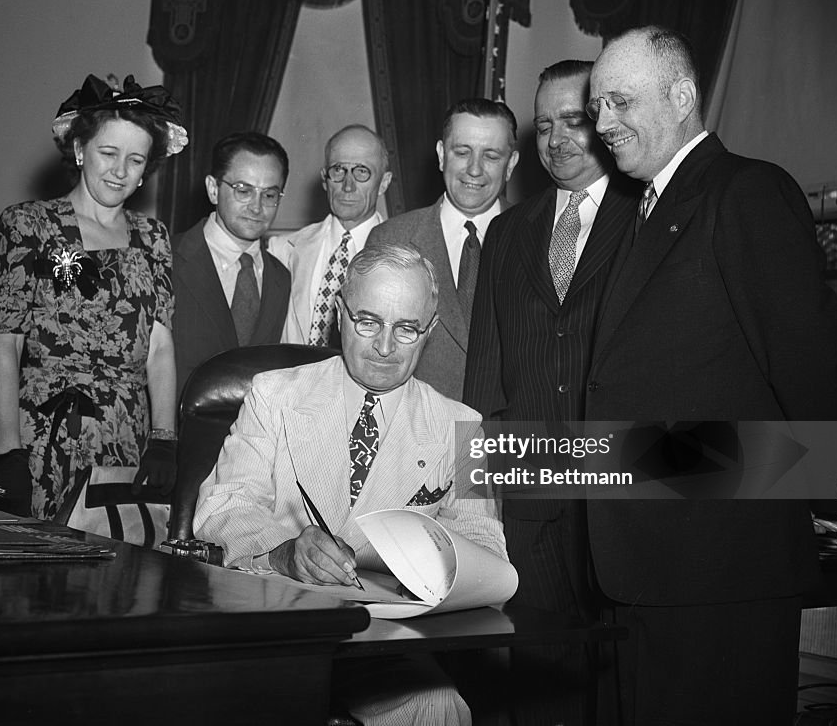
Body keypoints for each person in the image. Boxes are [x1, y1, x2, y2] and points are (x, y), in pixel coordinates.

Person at [585, 26, 837, 723]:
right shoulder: (639, 211)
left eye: (619, 100)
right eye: (596, 107)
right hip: (647, 565)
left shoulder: (746, 192)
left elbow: (811, 361)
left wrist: (814, 496)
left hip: (722, 566)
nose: (603, 125)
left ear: (682, 97)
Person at [194, 243, 507, 725]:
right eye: (368, 321)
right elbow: (224, 507)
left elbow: (486, 552)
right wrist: (283, 550)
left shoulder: (461, 429)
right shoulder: (273, 394)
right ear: (340, 313)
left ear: (430, 330)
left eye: (406, 329)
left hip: (383, 642)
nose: (385, 347)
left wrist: (422, 570)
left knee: (437, 707)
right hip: (273, 624)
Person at [463, 60, 640, 725]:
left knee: (621, 679)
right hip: (530, 495)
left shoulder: (647, 217)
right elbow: (487, 369)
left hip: (624, 492)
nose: (558, 138)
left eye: (574, 119)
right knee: (541, 680)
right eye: (544, 125)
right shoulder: (509, 231)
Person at [0, 74, 187, 519]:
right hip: (45, 438)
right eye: (109, 153)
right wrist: (8, 455)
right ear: (80, 151)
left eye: (135, 160)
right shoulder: (28, 224)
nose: (120, 171)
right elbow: (5, 349)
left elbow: (159, 348)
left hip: (128, 441)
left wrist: (164, 439)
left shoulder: (153, 237)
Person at [366, 99, 519, 400]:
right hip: (416, 433)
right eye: (462, 152)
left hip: (508, 437)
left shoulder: (541, 238)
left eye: (491, 155)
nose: (474, 169)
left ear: (511, 164)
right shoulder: (390, 239)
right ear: (441, 155)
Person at [171, 132, 291, 395]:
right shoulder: (167, 259)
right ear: (213, 189)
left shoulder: (281, 277)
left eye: (269, 195)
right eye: (244, 191)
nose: (256, 207)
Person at [269, 124, 390, 348]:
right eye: (338, 170)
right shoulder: (281, 249)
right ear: (325, 179)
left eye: (362, 171)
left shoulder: (403, 252)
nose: (348, 185)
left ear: (383, 183)